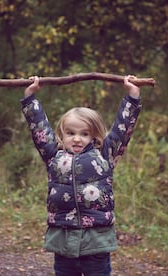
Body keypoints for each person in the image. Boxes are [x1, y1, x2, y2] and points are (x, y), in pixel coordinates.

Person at [21, 75, 141, 275]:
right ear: (62, 134)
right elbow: (38, 128)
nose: (76, 139)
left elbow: (122, 129)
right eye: (70, 133)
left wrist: (133, 96)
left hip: (96, 239)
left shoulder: (105, 156)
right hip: (63, 238)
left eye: (84, 134)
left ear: (94, 135)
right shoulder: (53, 156)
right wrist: (30, 97)